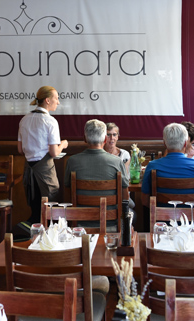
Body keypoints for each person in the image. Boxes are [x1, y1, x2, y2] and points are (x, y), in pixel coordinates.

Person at [65, 119, 130, 231]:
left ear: (85, 139)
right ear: (105, 139)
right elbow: (125, 197)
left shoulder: (72, 161)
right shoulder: (117, 162)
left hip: (80, 227)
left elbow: (67, 196)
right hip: (111, 225)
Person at [18, 86, 68, 225]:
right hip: (45, 172)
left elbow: (20, 150)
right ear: (47, 100)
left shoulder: (24, 119)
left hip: (29, 172)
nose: (58, 102)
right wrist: (63, 144)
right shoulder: (50, 121)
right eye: (56, 98)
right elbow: (54, 152)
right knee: (48, 211)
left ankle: (31, 234)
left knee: (35, 210)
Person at [141, 123, 194, 208]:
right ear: (185, 144)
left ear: (165, 144)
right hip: (193, 216)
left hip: (162, 216)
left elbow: (145, 201)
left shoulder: (152, 166)